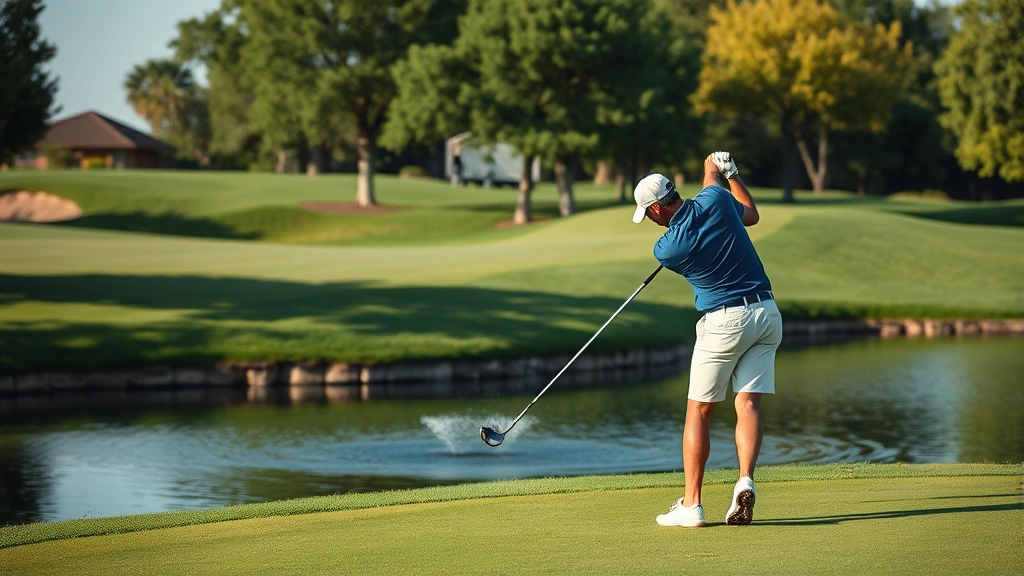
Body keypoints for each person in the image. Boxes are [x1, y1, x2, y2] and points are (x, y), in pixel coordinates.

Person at [631, 152, 782, 527]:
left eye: (647, 215)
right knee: (747, 404)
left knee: (699, 411)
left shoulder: (666, 250)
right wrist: (726, 170)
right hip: (766, 314)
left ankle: (692, 505)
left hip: (725, 322)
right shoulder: (715, 199)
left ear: (654, 211)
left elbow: (717, 206)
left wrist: (713, 175)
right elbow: (749, 213)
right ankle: (744, 481)